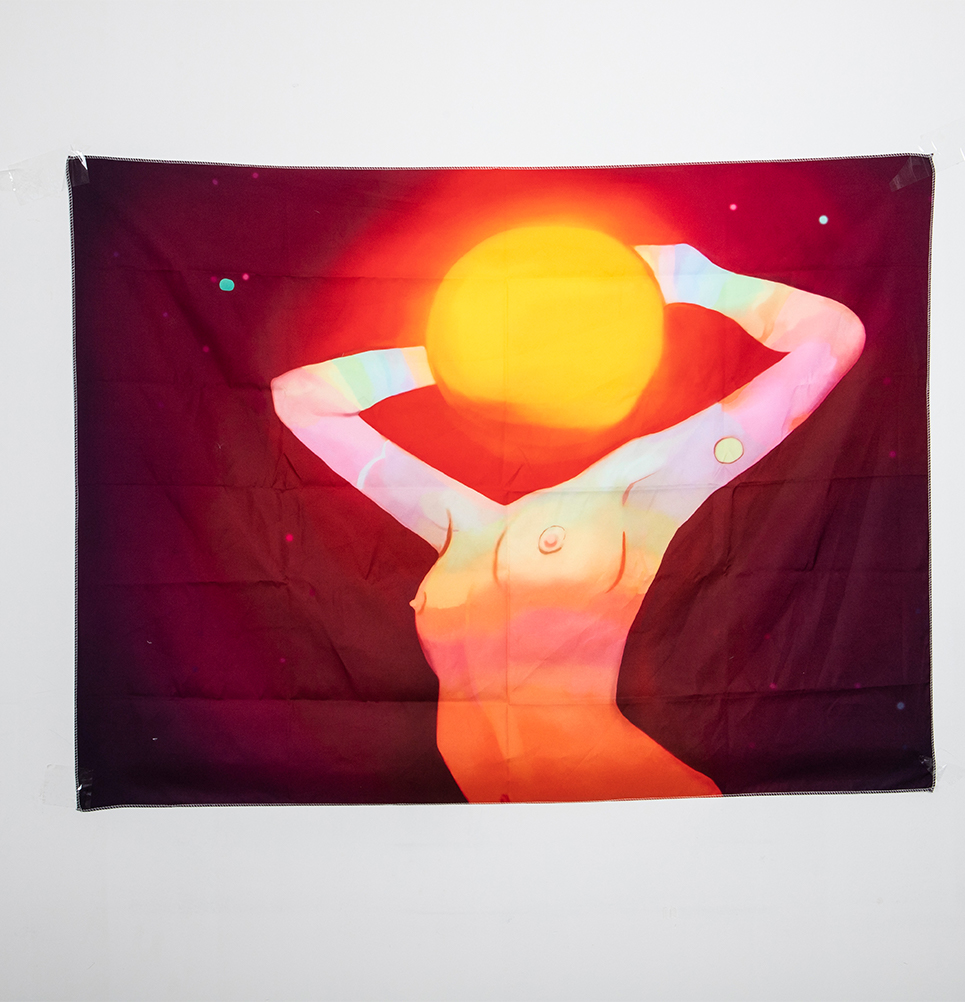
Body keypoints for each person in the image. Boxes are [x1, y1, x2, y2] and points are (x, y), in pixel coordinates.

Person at [271, 231, 865, 803]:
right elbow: (301, 399)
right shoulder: (461, 523)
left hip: (631, 801)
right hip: (509, 825)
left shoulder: (637, 481)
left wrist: (693, 279)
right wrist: (451, 356)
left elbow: (834, 339)